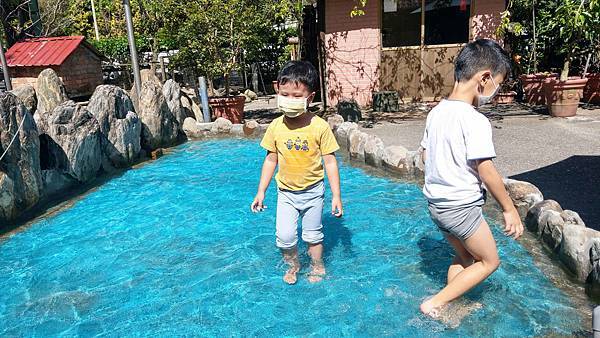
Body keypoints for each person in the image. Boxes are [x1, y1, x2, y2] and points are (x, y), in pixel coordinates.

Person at [419, 39, 524, 318]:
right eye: (498, 84)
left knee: (466, 258)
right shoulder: (474, 119)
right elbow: (486, 169)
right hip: (461, 208)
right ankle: (435, 303)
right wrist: (509, 209)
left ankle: (453, 305)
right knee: (489, 261)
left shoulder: (436, 113)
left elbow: (425, 157)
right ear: (484, 78)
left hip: (436, 206)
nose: (496, 91)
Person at [251, 61, 343, 285]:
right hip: (286, 193)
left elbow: (330, 161)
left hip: (313, 192)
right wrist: (261, 191)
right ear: (277, 90)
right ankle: (293, 265)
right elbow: (271, 158)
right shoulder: (275, 126)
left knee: (313, 236)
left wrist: (337, 196)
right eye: (285, 94)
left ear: (309, 98)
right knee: (284, 238)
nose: (289, 100)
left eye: (296, 95)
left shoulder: (319, 126)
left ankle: (317, 265)